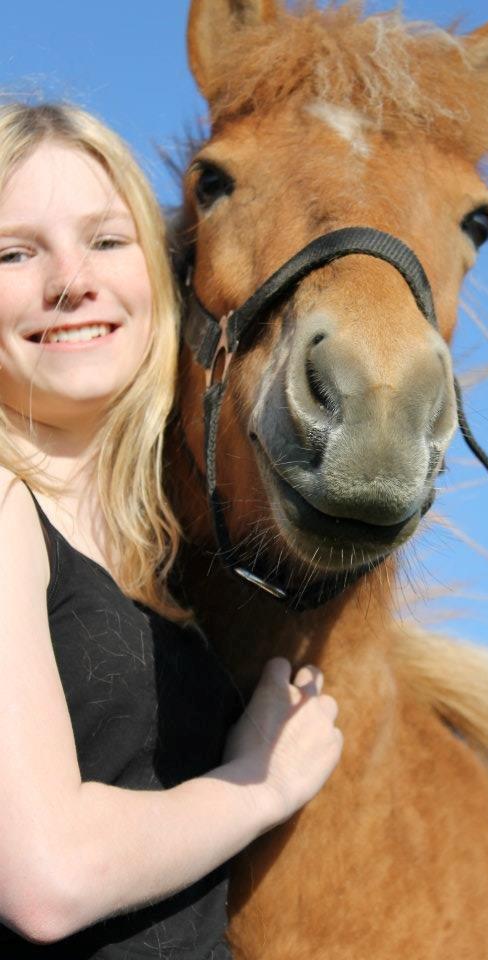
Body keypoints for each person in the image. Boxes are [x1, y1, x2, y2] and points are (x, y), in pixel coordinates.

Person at [0, 102, 343, 958]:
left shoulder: (161, 547)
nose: (70, 280)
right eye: (14, 252)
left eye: (107, 241)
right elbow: (49, 877)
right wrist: (260, 783)